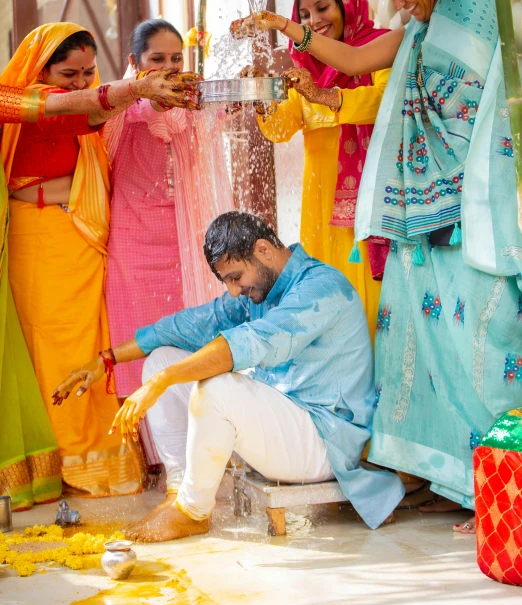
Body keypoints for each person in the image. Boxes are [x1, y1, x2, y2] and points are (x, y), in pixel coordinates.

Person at [236, 0, 522, 534]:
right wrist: (291, 34)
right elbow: (356, 62)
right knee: (425, 354)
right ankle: (461, 482)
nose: (399, 3)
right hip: (417, 222)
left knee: (484, 352)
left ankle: (504, 489)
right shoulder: (415, 34)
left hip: (469, 216)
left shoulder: (469, 4)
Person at [53, 211, 405, 542]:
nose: (234, 290)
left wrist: (164, 383)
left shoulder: (321, 288)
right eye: (228, 282)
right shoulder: (258, 292)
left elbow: (255, 342)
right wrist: (108, 359)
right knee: (160, 361)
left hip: (324, 443)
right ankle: (179, 491)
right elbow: (188, 325)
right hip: (285, 429)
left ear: (263, 250)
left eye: (236, 277)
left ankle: (192, 512)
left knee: (216, 385)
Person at [2, 21, 199, 498]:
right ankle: (65, 460)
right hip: (40, 238)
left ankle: (101, 457)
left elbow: (89, 114)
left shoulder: (93, 106)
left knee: (94, 346)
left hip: (87, 238)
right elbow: (61, 109)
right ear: (40, 68)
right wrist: (129, 89)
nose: (79, 84)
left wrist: (135, 94)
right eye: (69, 73)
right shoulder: (19, 100)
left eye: (88, 72)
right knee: (52, 348)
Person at [103, 20, 234, 464]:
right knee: (135, 339)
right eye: (157, 59)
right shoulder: (119, 107)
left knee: (181, 337)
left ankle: (188, 449)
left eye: (176, 58)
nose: (170, 67)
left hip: (181, 243)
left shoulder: (190, 105)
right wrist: (139, 96)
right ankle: (150, 459)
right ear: (134, 64)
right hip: (132, 246)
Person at [255, 0, 390, 338]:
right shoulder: (308, 68)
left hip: (369, 202)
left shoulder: (379, 47)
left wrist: (324, 96)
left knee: (371, 298)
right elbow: (282, 128)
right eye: (304, 15)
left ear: (347, 4)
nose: (314, 21)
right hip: (321, 209)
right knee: (327, 298)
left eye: (322, 8)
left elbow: (383, 102)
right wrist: (260, 101)